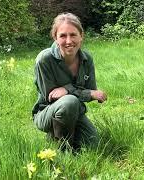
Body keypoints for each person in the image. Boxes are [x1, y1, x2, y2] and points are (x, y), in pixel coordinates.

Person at [31, 12, 107, 151]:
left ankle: (62, 135)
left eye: (73, 35)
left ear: (81, 36)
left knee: (93, 144)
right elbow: (51, 97)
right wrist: (80, 92)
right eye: (62, 36)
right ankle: (63, 150)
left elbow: (90, 91)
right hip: (46, 112)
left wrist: (68, 90)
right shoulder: (44, 59)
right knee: (69, 102)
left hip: (75, 111)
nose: (68, 41)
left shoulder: (87, 59)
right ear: (55, 38)